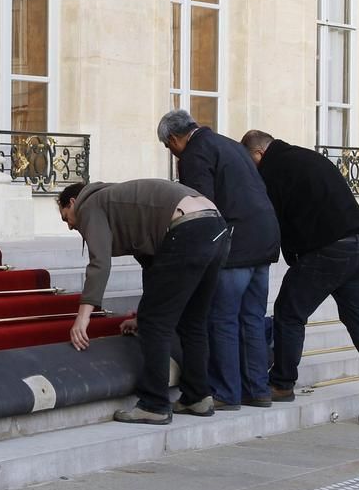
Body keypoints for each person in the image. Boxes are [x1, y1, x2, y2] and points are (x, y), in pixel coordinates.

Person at [240, 130, 359, 424]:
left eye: (249, 162)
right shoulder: (306, 156)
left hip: (327, 250)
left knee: (289, 312)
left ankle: (281, 383)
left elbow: (271, 221)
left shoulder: (274, 170)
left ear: (258, 154)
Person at [58, 179, 230, 425]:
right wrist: (141, 315)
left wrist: (82, 318)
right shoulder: (120, 202)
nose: (70, 227)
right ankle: (197, 397)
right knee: (193, 320)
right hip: (215, 227)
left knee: (155, 324)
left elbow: (99, 264)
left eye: (67, 218)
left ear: (73, 202)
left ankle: (154, 404)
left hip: (187, 231)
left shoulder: (90, 205)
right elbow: (153, 266)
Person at [158, 110, 280, 410]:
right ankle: (257, 389)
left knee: (221, 318)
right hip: (264, 238)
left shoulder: (195, 154)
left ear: (174, 138)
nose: (171, 154)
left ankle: (225, 391)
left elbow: (201, 209)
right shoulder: (229, 144)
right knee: (252, 317)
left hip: (236, 243)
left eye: (168, 147)